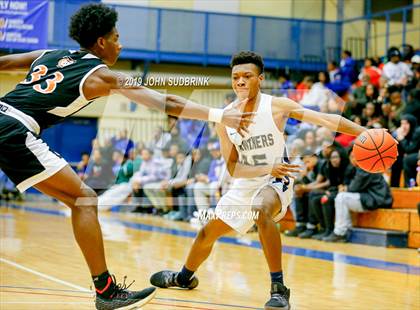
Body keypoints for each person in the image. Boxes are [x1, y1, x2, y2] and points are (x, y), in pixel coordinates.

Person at [0, 4, 253, 310]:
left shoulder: (50, 54)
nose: (122, 44)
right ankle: (106, 292)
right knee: (84, 200)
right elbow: (166, 101)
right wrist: (218, 115)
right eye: (117, 37)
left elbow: (7, 61)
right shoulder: (102, 76)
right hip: (13, 129)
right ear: (102, 42)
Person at [150, 51, 367, 310]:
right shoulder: (225, 118)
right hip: (248, 179)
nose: (240, 81)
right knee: (207, 233)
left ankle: (279, 288)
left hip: (278, 179)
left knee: (261, 209)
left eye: (247, 76)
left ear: (260, 79)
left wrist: (365, 132)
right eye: (236, 77)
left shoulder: (277, 106)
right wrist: (265, 166)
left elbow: (325, 119)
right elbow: (233, 168)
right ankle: (184, 277)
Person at [324, 149, 393, 242]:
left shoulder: (365, 167)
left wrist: (345, 188)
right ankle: (344, 230)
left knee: (341, 197)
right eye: (351, 157)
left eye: (355, 156)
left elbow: (354, 187)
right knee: (341, 196)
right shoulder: (358, 167)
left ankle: (340, 232)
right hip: (370, 196)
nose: (353, 159)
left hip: (377, 199)